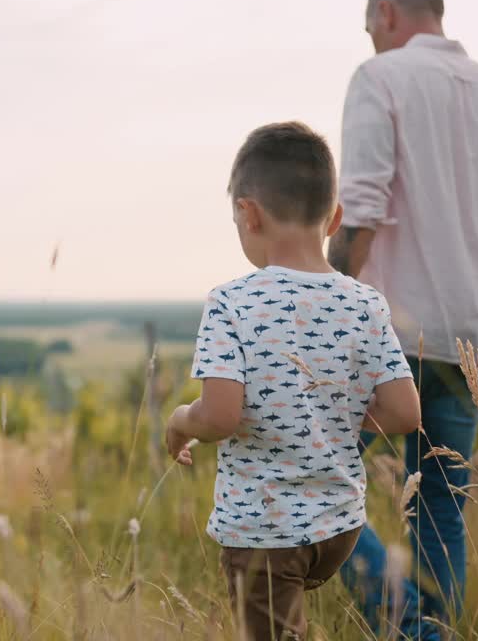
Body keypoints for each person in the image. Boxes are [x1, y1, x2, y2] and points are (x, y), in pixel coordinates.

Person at [328, 0, 478, 639]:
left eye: (369, 28)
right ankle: (432, 633)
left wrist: (324, 319)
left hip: (386, 337)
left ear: (387, 13)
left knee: (308, 477)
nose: (369, 42)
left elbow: (359, 215)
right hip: (476, 343)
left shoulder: (380, 80)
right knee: (442, 510)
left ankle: (407, 621)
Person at [167, 122, 421, 641]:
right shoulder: (365, 303)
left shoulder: (231, 303)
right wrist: (338, 418)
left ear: (248, 213)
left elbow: (218, 416)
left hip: (263, 532)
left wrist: (178, 421)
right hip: (341, 527)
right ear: (336, 219)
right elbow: (404, 413)